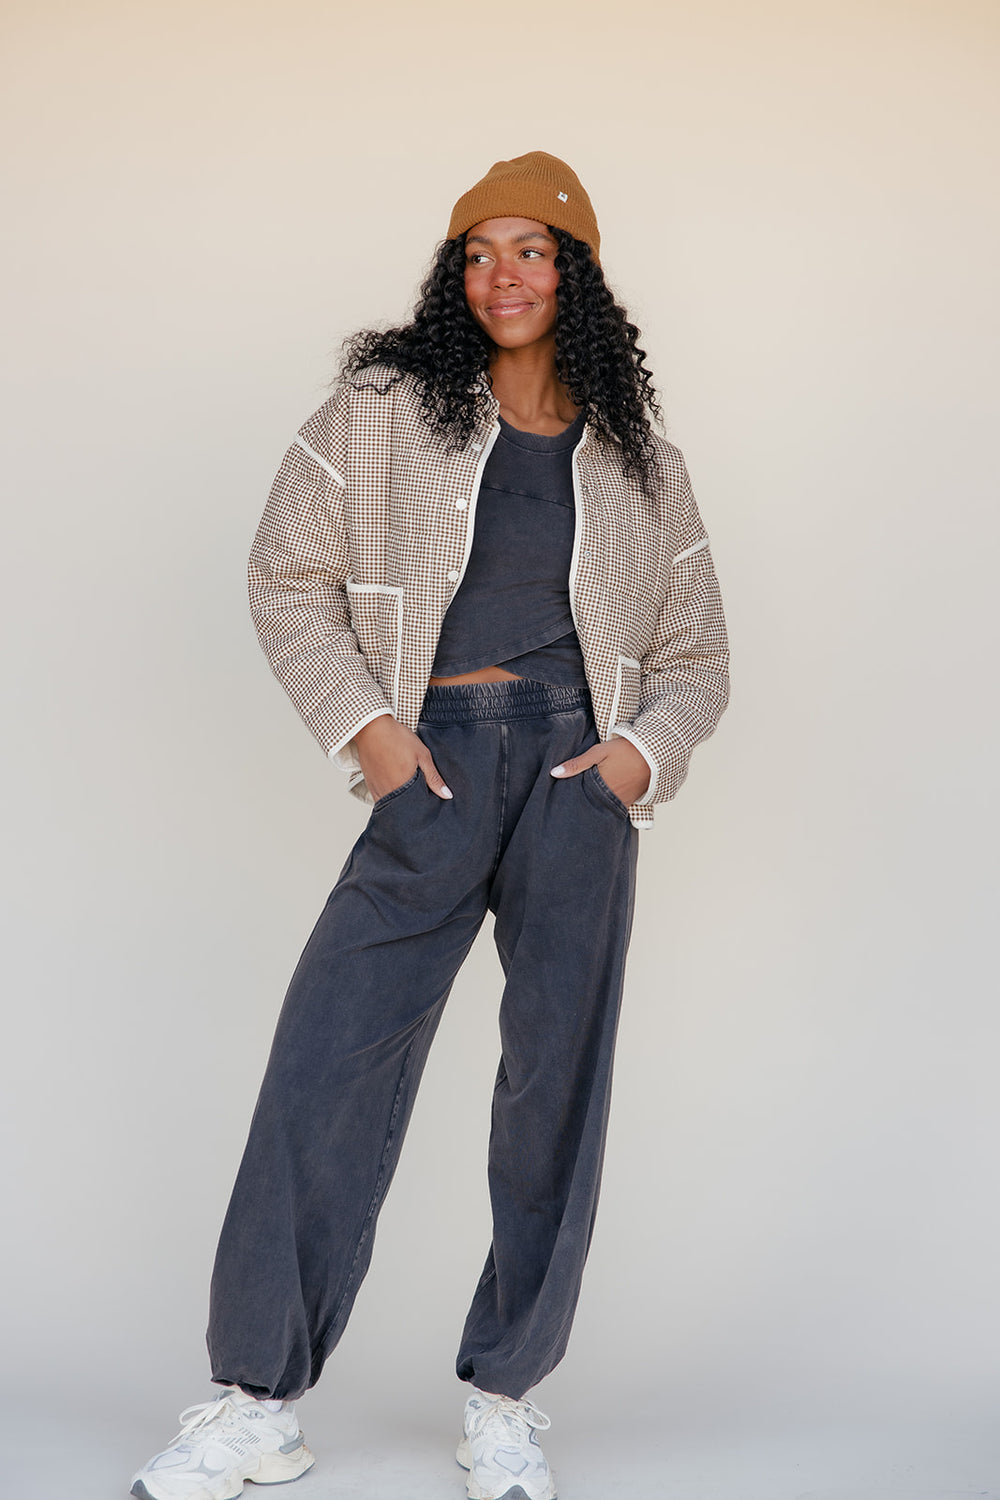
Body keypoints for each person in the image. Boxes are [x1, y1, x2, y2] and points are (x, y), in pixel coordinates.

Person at [130, 150, 729, 1500]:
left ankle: (505, 1396)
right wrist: (372, 734)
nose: (502, 275)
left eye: (532, 250)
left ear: (576, 275)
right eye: (478, 252)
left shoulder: (643, 464)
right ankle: (256, 1402)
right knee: (327, 1061)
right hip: (434, 766)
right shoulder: (381, 413)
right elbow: (286, 578)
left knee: (553, 1086)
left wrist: (636, 760)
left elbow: (699, 656)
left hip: (578, 778)